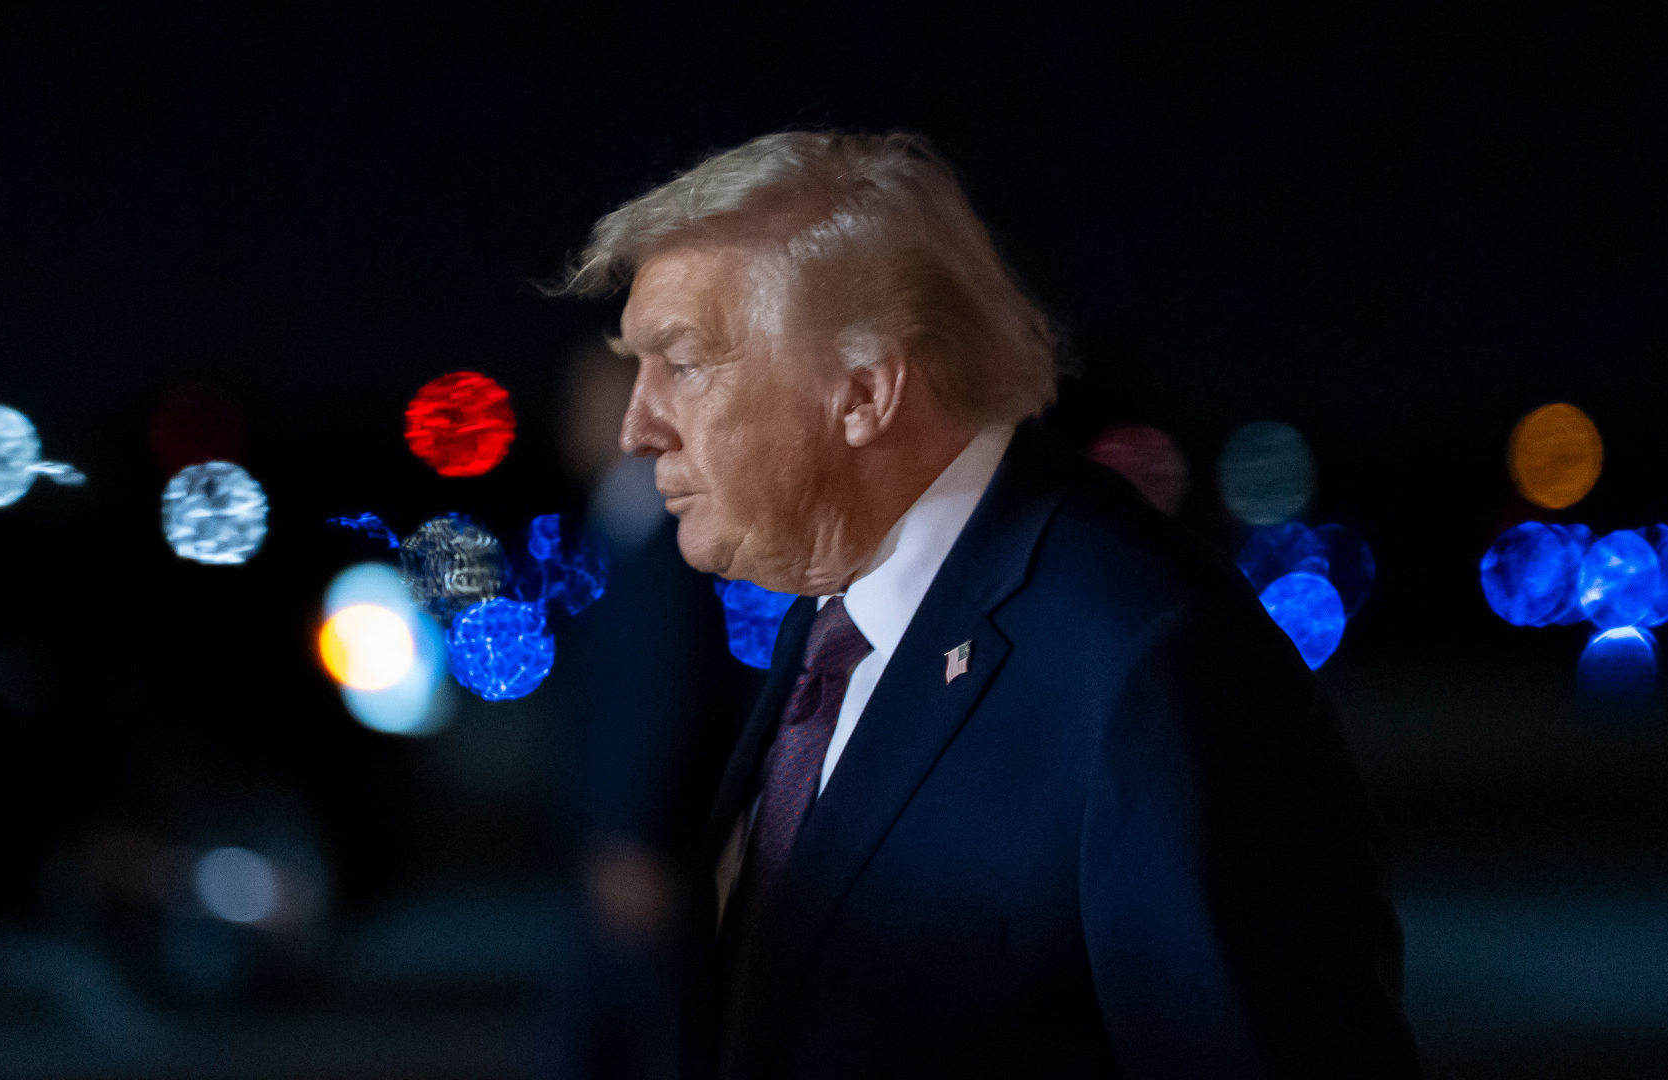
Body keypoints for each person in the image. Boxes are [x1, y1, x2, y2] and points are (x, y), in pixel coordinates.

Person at [551, 131, 1417, 1079]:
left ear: (863, 393)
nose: (638, 428)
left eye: (682, 363)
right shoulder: (839, 617)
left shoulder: (1146, 657)